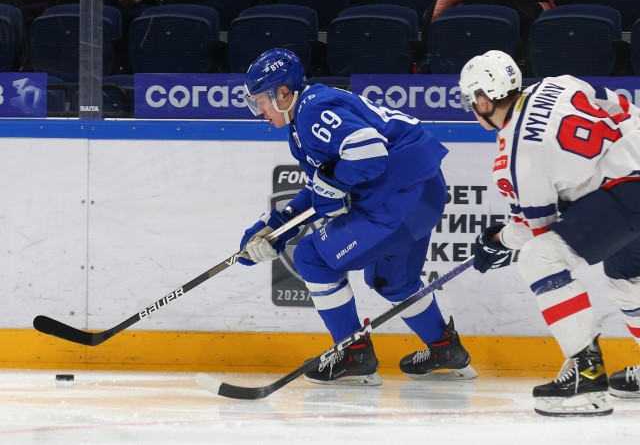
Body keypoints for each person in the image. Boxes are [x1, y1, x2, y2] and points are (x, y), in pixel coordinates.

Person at [237, 47, 477, 385]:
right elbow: (323, 184)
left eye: (261, 101)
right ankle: (444, 349)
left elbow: (367, 151)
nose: (260, 111)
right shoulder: (303, 120)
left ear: (283, 92)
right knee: (391, 281)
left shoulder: (311, 111)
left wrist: (331, 186)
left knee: (310, 257)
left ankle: (353, 354)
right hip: (421, 192)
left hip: (398, 197)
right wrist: (277, 226)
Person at [458, 50, 640, 416]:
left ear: (482, 99)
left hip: (626, 195)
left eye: (470, 101)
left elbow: (535, 232)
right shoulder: (558, 83)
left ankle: (585, 376)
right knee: (626, 280)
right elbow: (623, 107)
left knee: (539, 258)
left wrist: (496, 241)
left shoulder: (514, 153)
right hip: (629, 175)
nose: (471, 109)